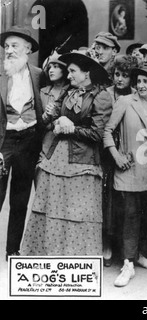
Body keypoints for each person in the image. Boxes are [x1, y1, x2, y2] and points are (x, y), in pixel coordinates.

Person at [20, 50, 113, 256]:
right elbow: (46, 123)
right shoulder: (68, 92)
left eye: (72, 71)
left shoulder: (101, 96)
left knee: (77, 212)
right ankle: (49, 256)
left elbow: (97, 134)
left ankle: (76, 260)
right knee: (51, 206)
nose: (68, 75)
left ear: (86, 73)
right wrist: (51, 117)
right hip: (57, 157)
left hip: (83, 161)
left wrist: (72, 128)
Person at [103, 66, 147, 287]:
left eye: (146, 82)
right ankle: (127, 264)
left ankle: (138, 255)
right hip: (128, 169)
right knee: (130, 215)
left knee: (145, 213)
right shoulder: (126, 102)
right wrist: (117, 156)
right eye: (138, 81)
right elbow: (108, 130)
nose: (140, 85)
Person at [0, 26, 44, 261]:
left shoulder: (38, 74)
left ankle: (12, 250)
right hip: (3, 143)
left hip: (28, 142)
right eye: (6, 46)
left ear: (27, 49)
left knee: (20, 198)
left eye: (14, 46)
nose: (9, 51)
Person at [39, 52, 70, 163]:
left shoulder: (71, 92)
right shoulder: (43, 92)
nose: (51, 70)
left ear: (65, 69)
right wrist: (46, 115)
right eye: (50, 67)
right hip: (46, 142)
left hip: (67, 142)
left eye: (56, 67)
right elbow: (39, 124)